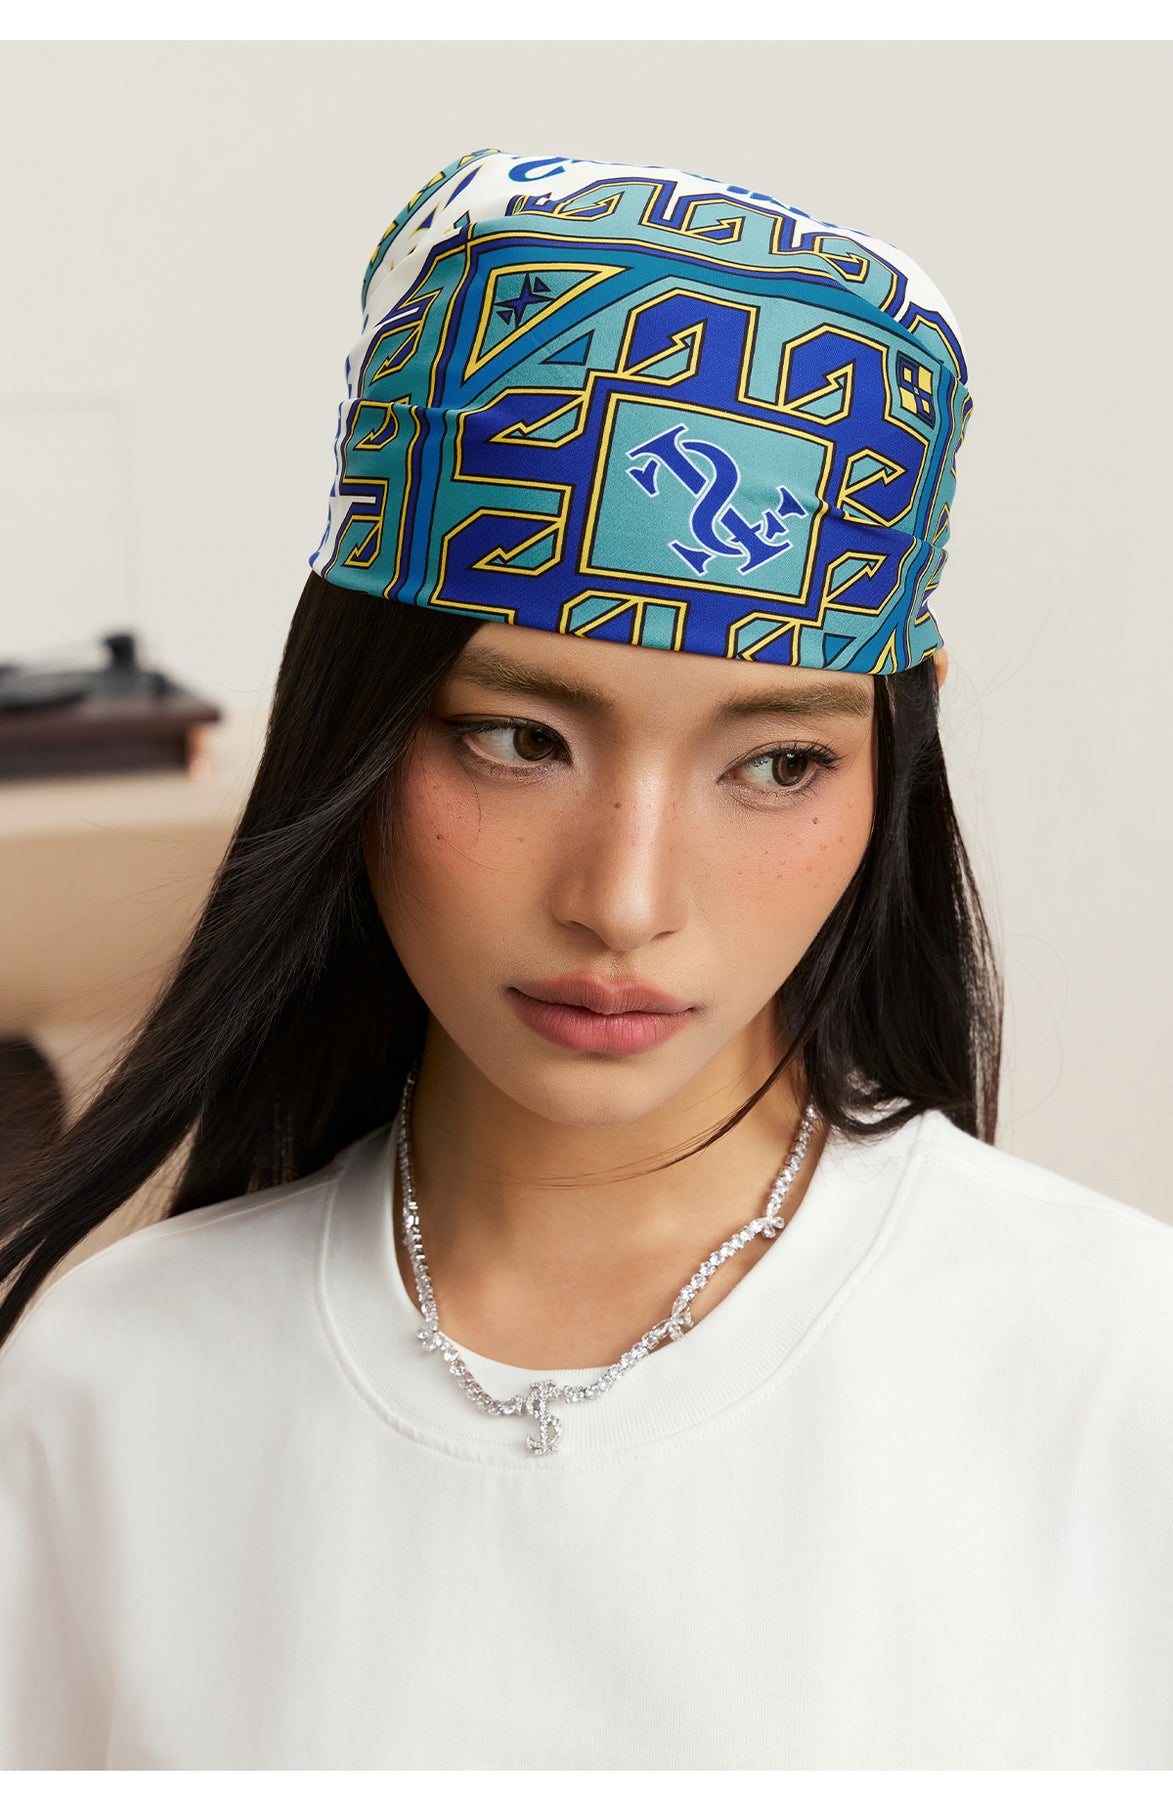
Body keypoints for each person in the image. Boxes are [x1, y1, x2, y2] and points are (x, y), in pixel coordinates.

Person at [1, 148, 1170, 1773]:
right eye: (518, 738)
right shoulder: (108, 1388)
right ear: (357, 727)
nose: (625, 901)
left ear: (887, 767)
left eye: (776, 762)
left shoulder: (1113, 1366)